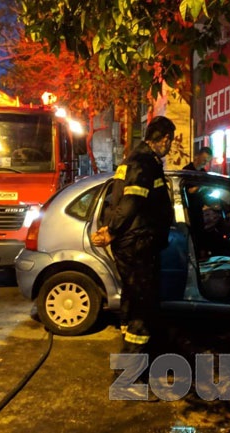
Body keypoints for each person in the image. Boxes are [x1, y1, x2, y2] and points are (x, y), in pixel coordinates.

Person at [91, 116, 175, 396]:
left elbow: (117, 200)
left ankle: (134, 362)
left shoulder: (132, 160)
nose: (169, 146)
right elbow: (131, 201)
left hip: (134, 243)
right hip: (138, 244)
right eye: (170, 141)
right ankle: (128, 379)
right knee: (142, 307)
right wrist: (112, 230)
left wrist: (110, 228)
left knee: (131, 301)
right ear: (164, 138)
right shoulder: (144, 163)